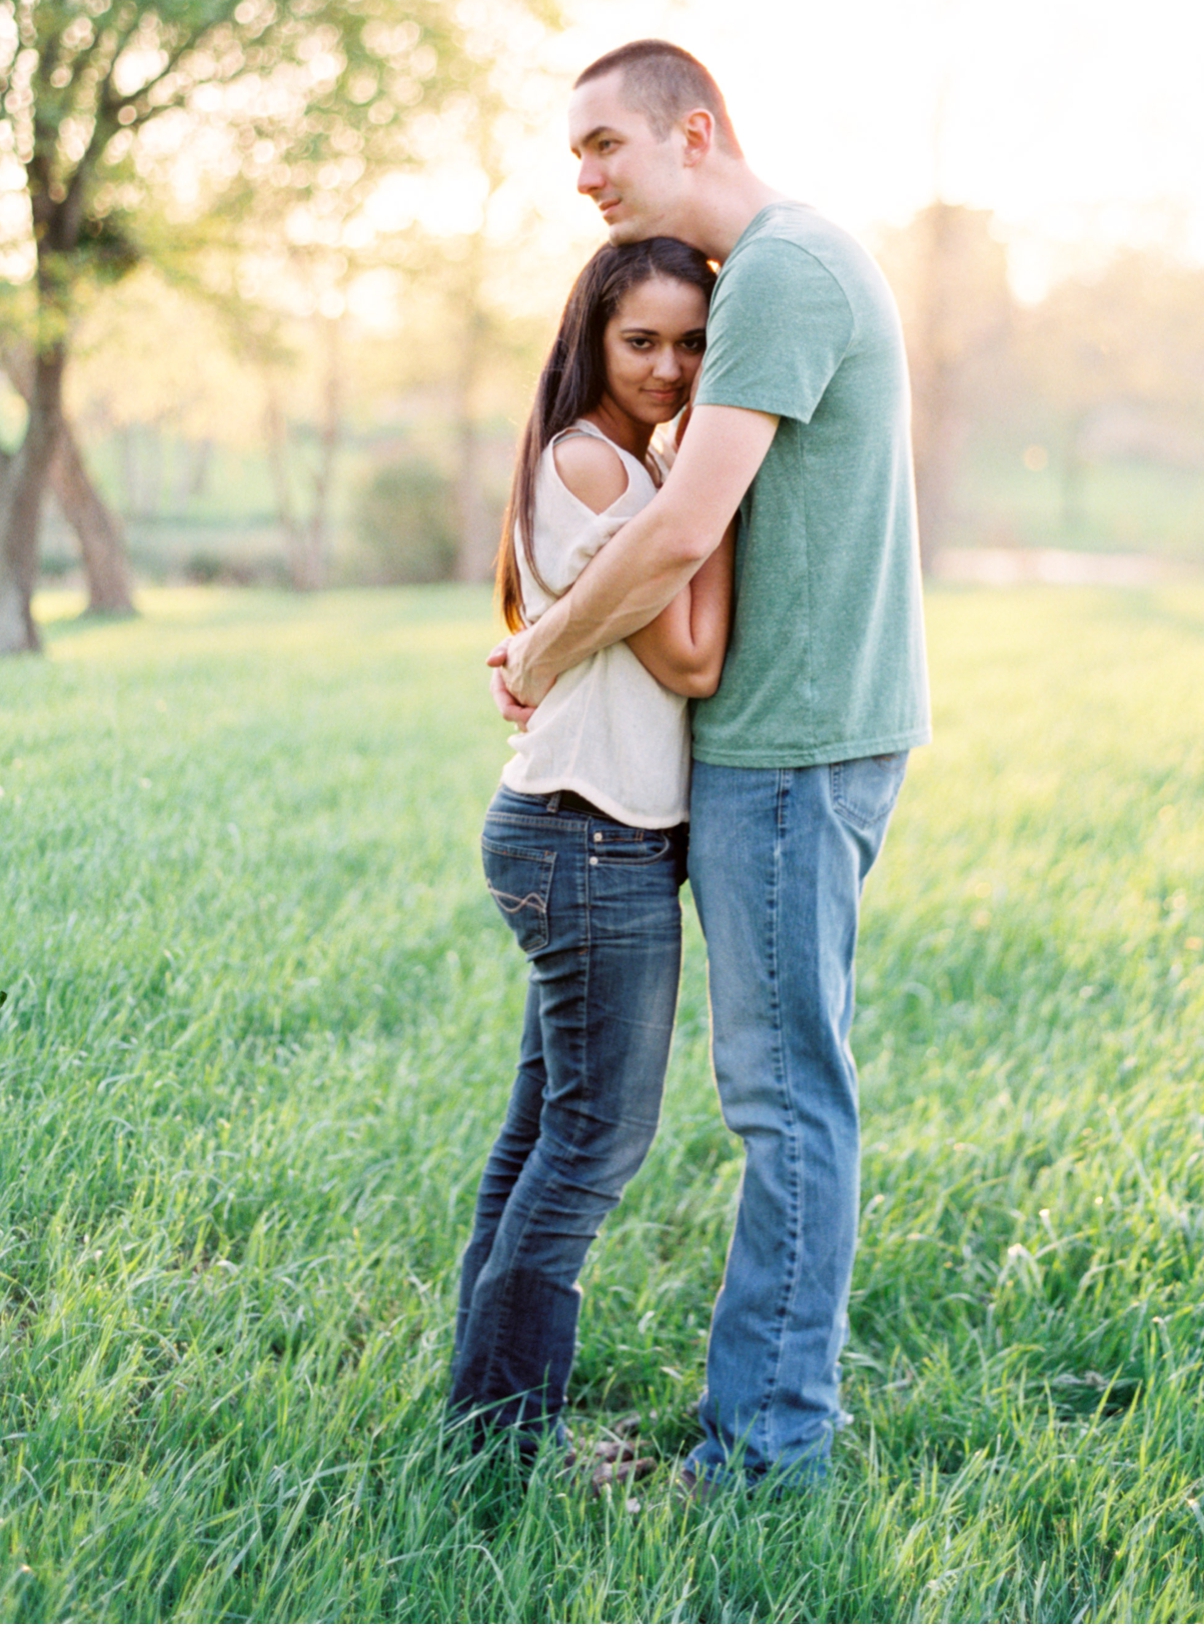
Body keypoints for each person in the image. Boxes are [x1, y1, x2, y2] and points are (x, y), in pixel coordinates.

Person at [490, 38, 930, 1491]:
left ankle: (765, 1453)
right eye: (575, 159)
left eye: (605, 144)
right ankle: (610, 1421)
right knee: (716, 1098)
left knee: (782, 1099)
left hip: (793, 743)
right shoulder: (768, 278)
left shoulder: (784, 274)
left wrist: (541, 651)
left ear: (693, 128)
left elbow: (679, 535)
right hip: (774, 739)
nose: (586, 178)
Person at [450, 235, 734, 1485]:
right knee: (593, 1141)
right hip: (586, 837)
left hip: (575, 830)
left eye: (690, 343)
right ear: (594, 340)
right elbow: (690, 660)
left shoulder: (622, 460)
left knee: (539, 1140)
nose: (670, 366)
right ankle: (507, 1437)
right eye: (642, 341)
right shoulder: (595, 459)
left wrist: (678, 501)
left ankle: (482, 1420)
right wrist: (703, 512)